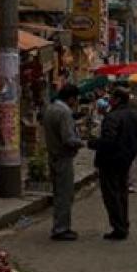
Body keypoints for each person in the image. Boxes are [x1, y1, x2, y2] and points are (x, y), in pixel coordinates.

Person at [89, 88, 137, 240]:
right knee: (121, 192)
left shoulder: (113, 117)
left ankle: (119, 227)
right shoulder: (134, 115)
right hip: (125, 160)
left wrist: (92, 143)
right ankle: (123, 224)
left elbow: (108, 141)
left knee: (112, 195)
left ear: (118, 99)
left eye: (111, 97)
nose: (109, 100)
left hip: (110, 160)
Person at [42, 85, 85, 241]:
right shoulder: (64, 112)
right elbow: (68, 139)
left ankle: (59, 225)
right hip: (62, 156)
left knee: (59, 193)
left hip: (53, 154)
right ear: (71, 98)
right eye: (76, 99)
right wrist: (82, 142)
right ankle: (61, 228)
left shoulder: (50, 108)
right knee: (65, 194)